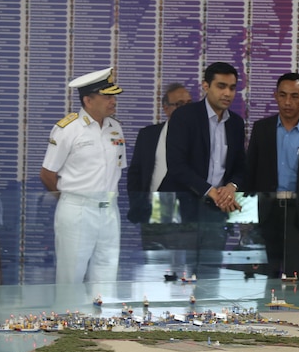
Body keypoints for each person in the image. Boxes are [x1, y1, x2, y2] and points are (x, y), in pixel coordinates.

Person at [40, 67, 126, 285]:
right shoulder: (68, 129)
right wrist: (71, 198)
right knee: (71, 279)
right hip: (78, 210)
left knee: (106, 277)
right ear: (88, 100)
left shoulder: (115, 128)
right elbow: (47, 174)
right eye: (107, 96)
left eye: (113, 96)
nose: (113, 101)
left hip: (109, 211)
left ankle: (105, 319)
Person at [161, 62, 245, 273]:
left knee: (210, 273)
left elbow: (241, 166)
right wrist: (212, 191)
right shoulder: (185, 116)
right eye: (221, 86)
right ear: (205, 86)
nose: (227, 93)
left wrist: (231, 187)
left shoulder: (235, 123)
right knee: (179, 275)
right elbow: (177, 165)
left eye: (232, 88)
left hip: (217, 211)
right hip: (182, 207)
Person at [244, 72, 299, 280]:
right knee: (264, 275)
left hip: (298, 214)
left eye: (294, 96)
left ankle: (295, 313)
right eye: (282, 95)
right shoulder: (262, 129)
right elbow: (249, 172)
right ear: (275, 96)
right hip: (266, 210)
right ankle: (265, 312)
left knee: (295, 276)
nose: (287, 102)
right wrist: (245, 215)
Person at [126, 83, 192, 224]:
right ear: (166, 108)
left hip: (190, 213)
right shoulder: (148, 135)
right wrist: (138, 205)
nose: (186, 109)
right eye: (180, 104)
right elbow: (135, 173)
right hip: (153, 210)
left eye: (189, 103)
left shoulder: (200, 136)